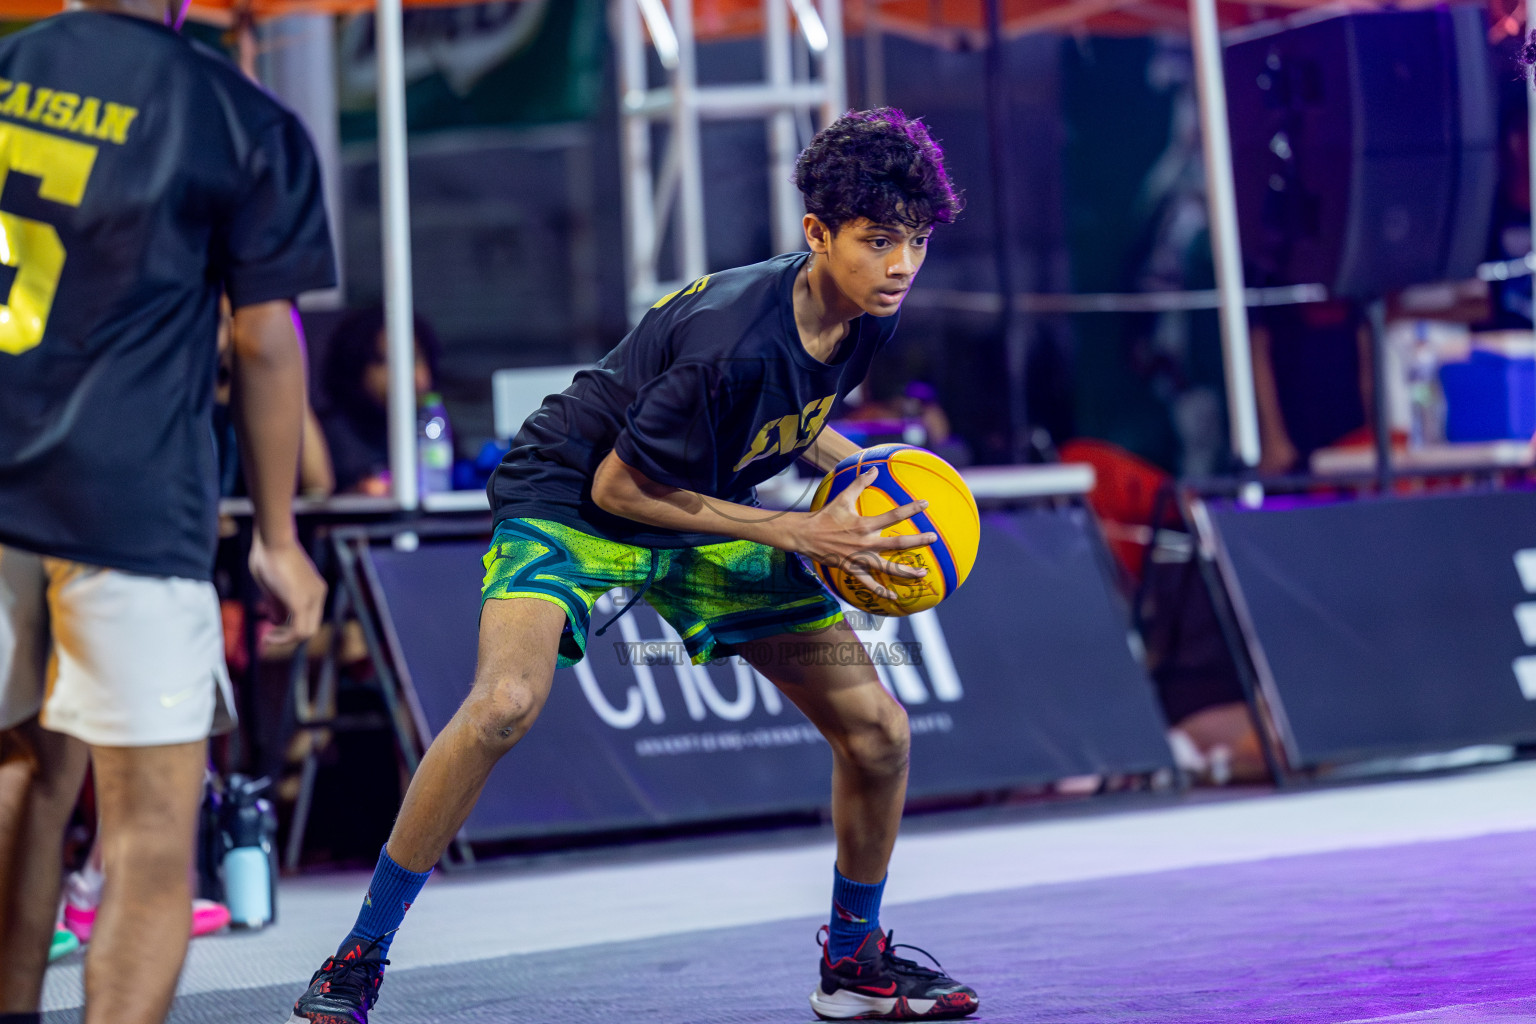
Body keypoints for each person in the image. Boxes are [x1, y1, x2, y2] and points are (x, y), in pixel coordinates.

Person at [286, 108, 979, 1023]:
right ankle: (357, 957)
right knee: (503, 707)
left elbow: (793, 418)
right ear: (817, 233)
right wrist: (797, 534)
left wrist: (849, 463)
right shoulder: (733, 339)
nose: (901, 265)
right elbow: (621, 489)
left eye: (917, 242)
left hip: (699, 500)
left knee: (880, 731)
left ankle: (852, 962)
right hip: (572, 497)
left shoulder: (865, 312)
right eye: (879, 240)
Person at [0, 2, 335, 1023]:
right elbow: (265, 342)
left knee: (23, 765)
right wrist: (277, 538)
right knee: (148, 827)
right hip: (131, 499)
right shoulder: (237, 119)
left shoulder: (7, 68)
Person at [317, 306, 446, 495]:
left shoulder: (431, 425)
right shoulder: (330, 435)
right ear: (356, 367)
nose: (408, 374)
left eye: (416, 359)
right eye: (388, 361)